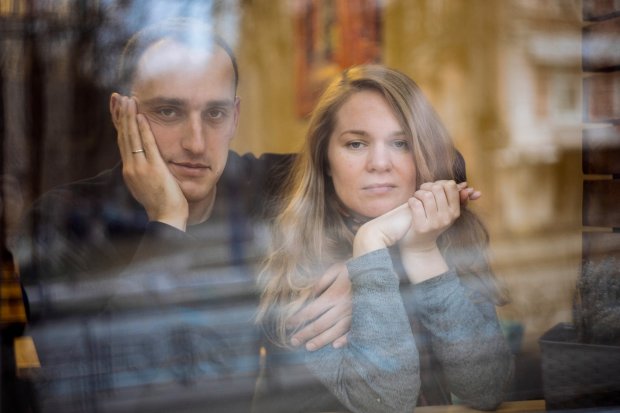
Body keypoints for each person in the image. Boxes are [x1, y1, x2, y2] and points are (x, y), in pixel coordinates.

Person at [14, 18, 348, 413]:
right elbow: (83, 385)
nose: (196, 142)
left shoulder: (271, 187)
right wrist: (167, 219)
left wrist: (363, 270)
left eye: (215, 114)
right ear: (121, 113)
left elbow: (394, 177)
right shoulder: (64, 221)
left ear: (235, 117)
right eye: (169, 111)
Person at [253, 64, 514, 413]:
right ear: (326, 160)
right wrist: (370, 244)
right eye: (356, 143)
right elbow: (386, 404)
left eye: (400, 143)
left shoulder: (442, 238)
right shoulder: (302, 262)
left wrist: (423, 253)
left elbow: (487, 388)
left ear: (423, 153)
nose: (379, 163)